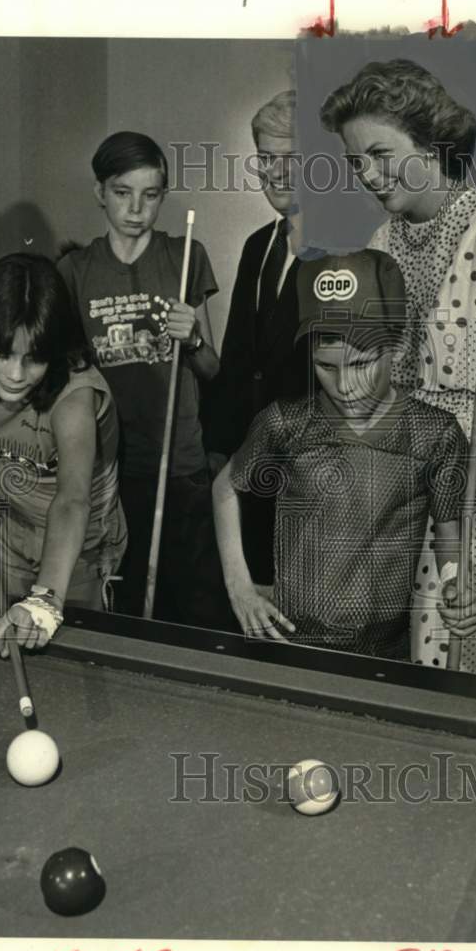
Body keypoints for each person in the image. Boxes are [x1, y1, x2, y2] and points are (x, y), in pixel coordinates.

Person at [320, 59, 476, 678]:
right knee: (425, 647)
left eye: (382, 154)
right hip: (412, 473)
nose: (368, 174)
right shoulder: (381, 248)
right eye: (357, 161)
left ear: (430, 143)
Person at [213, 250, 476, 658]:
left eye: (361, 364)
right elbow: (224, 488)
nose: (343, 385)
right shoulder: (285, 422)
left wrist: (457, 582)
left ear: (398, 345)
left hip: (385, 654)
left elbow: (450, 538)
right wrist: (238, 586)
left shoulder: (436, 433)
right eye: (325, 366)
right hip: (289, 643)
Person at [57, 131, 233, 628]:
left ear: (162, 197)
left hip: (180, 461)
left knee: (195, 608)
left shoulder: (184, 258)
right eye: (122, 192)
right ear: (99, 192)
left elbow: (212, 368)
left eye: (150, 195)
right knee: (129, 603)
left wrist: (194, 339)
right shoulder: (76, 270)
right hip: (109, 466)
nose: (136, 208)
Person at [0, 253, 127, 652]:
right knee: (10, 636)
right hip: (7, 519)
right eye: (3, 353)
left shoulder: (75, 399)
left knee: (67, 654)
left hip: (78, 541)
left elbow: (72, 500)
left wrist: (45, 600)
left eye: (34, 358)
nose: (15, 374)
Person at [203, 90, 303, 586]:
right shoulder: (257, 246)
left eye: (292, 159)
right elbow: (239, 362)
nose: (276, 173)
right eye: (267, 159)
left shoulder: (354, 252)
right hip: (253, 478)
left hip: (319, 487)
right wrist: (220, 452)